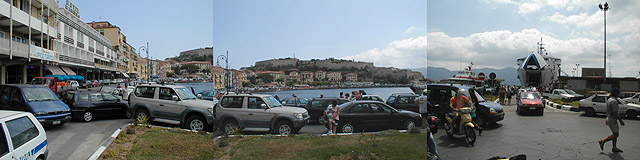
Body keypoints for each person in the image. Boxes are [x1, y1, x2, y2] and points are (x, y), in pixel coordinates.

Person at [598, 88, 625, 152]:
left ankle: (614, 147)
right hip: (612, 119)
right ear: (616, 94)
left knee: (614, 134)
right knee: (616, 134)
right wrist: (621, 120)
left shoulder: (610, 99)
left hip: (609, 118)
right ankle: (603, 141)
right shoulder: (614, 101)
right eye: (618, 93)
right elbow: (615, 112)